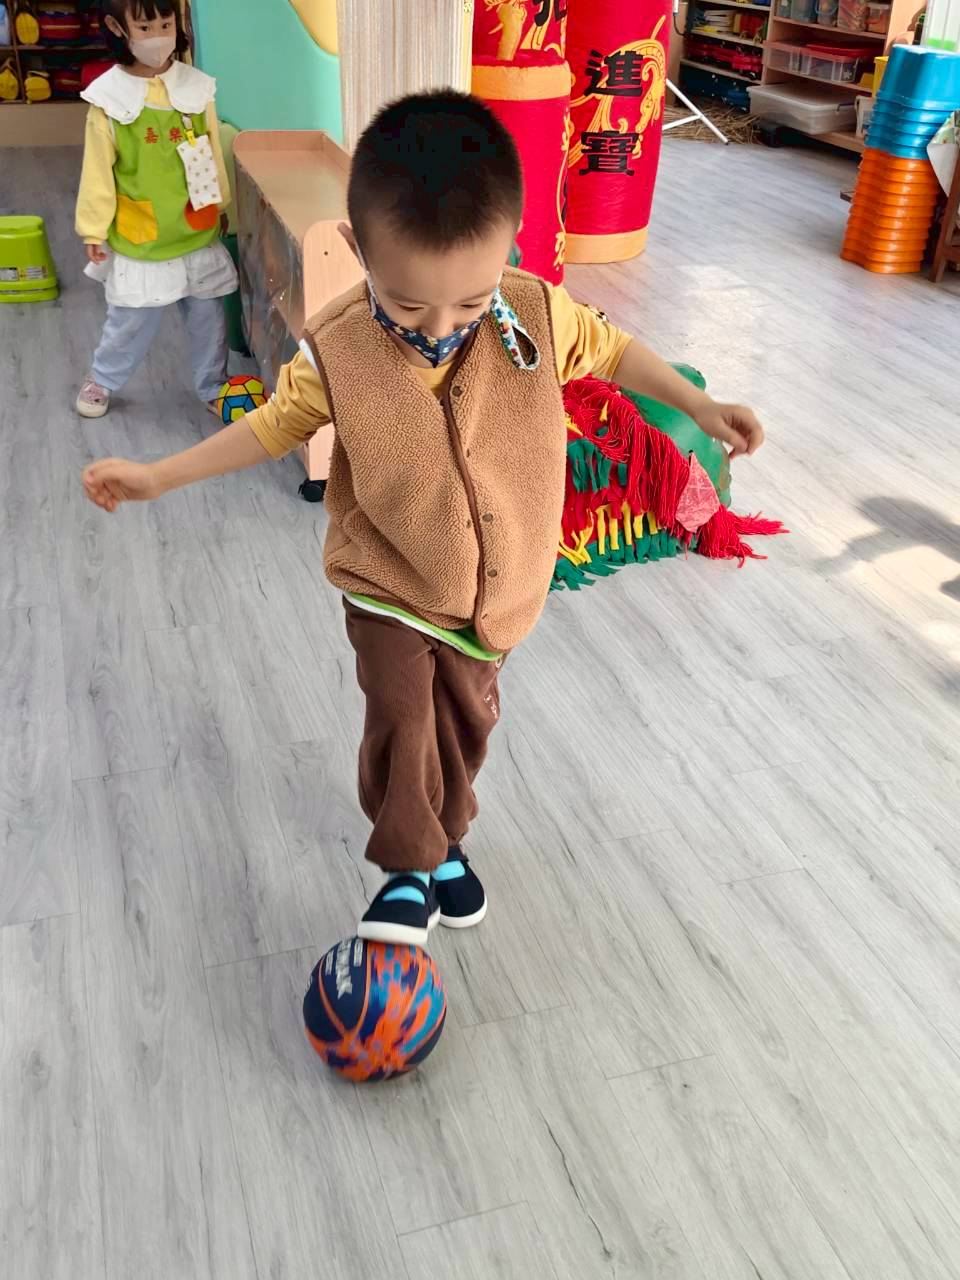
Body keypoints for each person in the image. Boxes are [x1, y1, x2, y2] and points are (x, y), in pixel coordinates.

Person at [82, 92, 765, 946]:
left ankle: (446, 844)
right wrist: (158, 476)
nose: (438, 328)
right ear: (359, 249)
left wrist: (697, 405)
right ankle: (408, 865)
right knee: (405, 722)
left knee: (465, 725)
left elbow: (615, 350)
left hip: (496, 592)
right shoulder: (335, 351)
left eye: (469, 305)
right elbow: (268, 429)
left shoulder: (538, 314)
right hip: (389, 581)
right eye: (407, 307)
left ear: (508, 249)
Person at [74, 0, 236, 419]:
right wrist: (94, 228)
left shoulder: (196, 87)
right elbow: (97, 171)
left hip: (194, 226)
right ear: (117, 27)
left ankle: (213, 385)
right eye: (145, 28)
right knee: (131, 319)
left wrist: (222, 204)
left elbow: (212, 151)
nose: (159, 36)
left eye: (166, 24)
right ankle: (102, 378)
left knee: (208, 318)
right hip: (143, 233)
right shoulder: (109, 99)